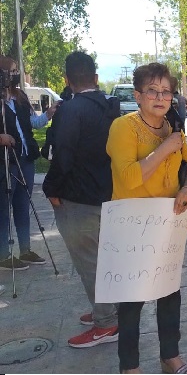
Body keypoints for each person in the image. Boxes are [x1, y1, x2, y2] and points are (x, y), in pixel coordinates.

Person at [107, 62, 187, 374]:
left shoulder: (174, 131)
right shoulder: (123, 127)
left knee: (169, 293)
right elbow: (130, 177)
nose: (160, 97)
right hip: (132, 227)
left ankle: (170, 356)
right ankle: (129, 366)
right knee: (132, 301)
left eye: (166, 92)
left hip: (167, 225)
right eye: (152, 91)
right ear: (138, 95)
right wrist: (164, 148)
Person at [42, 51, 121, 348]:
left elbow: (61, 155)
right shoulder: (112, 107)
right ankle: (108, 311)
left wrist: (52, 189)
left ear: (67, 80)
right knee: (106, 259)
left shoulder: (70, 111)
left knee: (90, 262)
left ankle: (106, 324)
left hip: (79, 197)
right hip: (110, 193)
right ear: (96, 78)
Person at [0, 55, 55, 270]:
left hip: (25, 159)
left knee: (23, 205)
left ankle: (25, 250)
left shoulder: (20, 96)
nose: (14, 75)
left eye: (15, 71)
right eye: (10, 71)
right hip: (5, 161)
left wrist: (49, 114)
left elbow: (33, 123)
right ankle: (4, 254)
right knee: (4, 208)